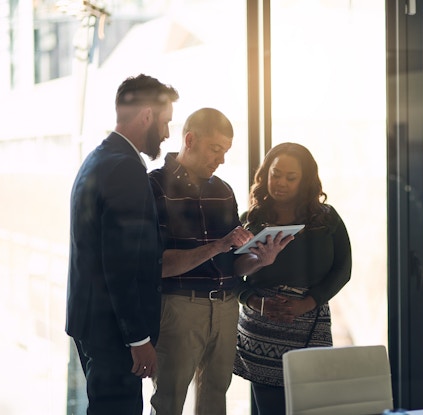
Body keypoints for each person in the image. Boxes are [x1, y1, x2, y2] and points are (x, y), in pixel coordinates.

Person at [148, 107, 292, 415]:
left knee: (215, 399)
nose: (221, 160)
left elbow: (233, 265)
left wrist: (260, 259)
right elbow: (157, 265)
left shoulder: (224, 191)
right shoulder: (155, 187)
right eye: (216, 149)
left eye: (225, 152)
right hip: (180, 307)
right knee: (169, 402)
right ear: (190, 139)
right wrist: (218, 246)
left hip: (227, 307)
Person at [65, 74, 180, 415]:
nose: (167, 133)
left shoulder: (98, 159)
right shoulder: (125, 169)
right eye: (165, 121)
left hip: (92, 322)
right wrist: (138, 340)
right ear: (146, 115)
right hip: (113, 331)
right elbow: (121, 264)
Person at [233, 142, 353, 415]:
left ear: (305, 180)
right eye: (276, 174)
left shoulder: (326, 219)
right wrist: (255, 303)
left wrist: (308, 303)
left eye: (291, 177)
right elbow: (229, 277)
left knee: (312, 408)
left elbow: (342, 270)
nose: (281, 183)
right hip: (262, 330)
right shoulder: (250, 222)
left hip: (311, 324)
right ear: (265, 174)